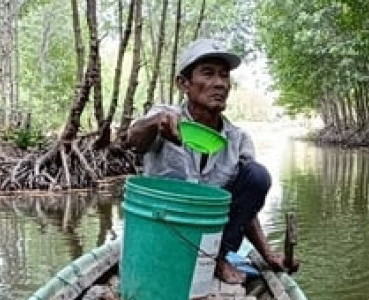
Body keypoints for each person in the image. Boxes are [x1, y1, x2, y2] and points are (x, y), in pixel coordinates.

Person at [126, 38, 296, 284]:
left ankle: (216, 258)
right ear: (184, 83)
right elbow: (133, 141)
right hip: (165, 233)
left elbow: (245, 209)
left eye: (224, 77)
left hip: (211, 242)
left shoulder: (238, 140)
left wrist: (269, 255)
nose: (219, 84)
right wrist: (154, 123)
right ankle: (202, 259)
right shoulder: (164, 117)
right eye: (208, 74)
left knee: (257, 176)